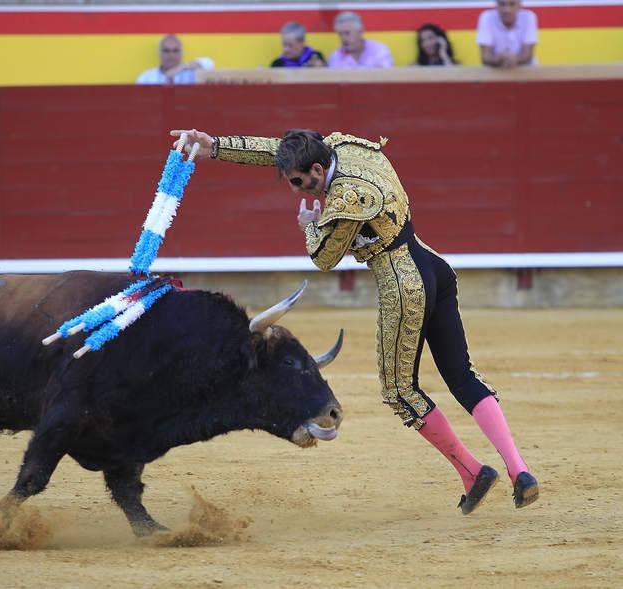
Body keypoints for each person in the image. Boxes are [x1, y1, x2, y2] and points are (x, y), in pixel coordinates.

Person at [168, 127, 540, 514]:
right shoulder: (343, 147)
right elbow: (280, 150)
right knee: (462, 375)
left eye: (299, 182)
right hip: (433, 264)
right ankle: (520, 471)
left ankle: (472, 472)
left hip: (404, 281)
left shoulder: (347, 198)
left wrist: (309, 226)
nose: (298, 191)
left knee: (401, 392)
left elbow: (325, 258)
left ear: (316, 169)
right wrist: (216, 148)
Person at [477, 0, 538, 68]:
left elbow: (528, 55)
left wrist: (512, 59)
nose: (507, 10)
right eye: (502, 4)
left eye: (512, 4)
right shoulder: (487, 17)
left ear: (519, 5)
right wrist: (500, 59)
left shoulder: (528, 17)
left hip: (526, 71)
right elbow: (485, 57)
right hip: (496, 72)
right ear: (496, 5)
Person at [135, 34, 214, 84]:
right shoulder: (146, 76)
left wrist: (180, 69)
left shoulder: (191, 74)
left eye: (175, 51)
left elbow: (209, 63)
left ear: (182, 53)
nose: (171, 55)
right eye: (166, 51)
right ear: (159, 54)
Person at [327, 11, 393, 69]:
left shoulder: (379, 50)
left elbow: (386, 76)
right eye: (340, 34)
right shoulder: (335, 57)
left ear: (360, 31)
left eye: (347, 33)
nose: (343, 38)